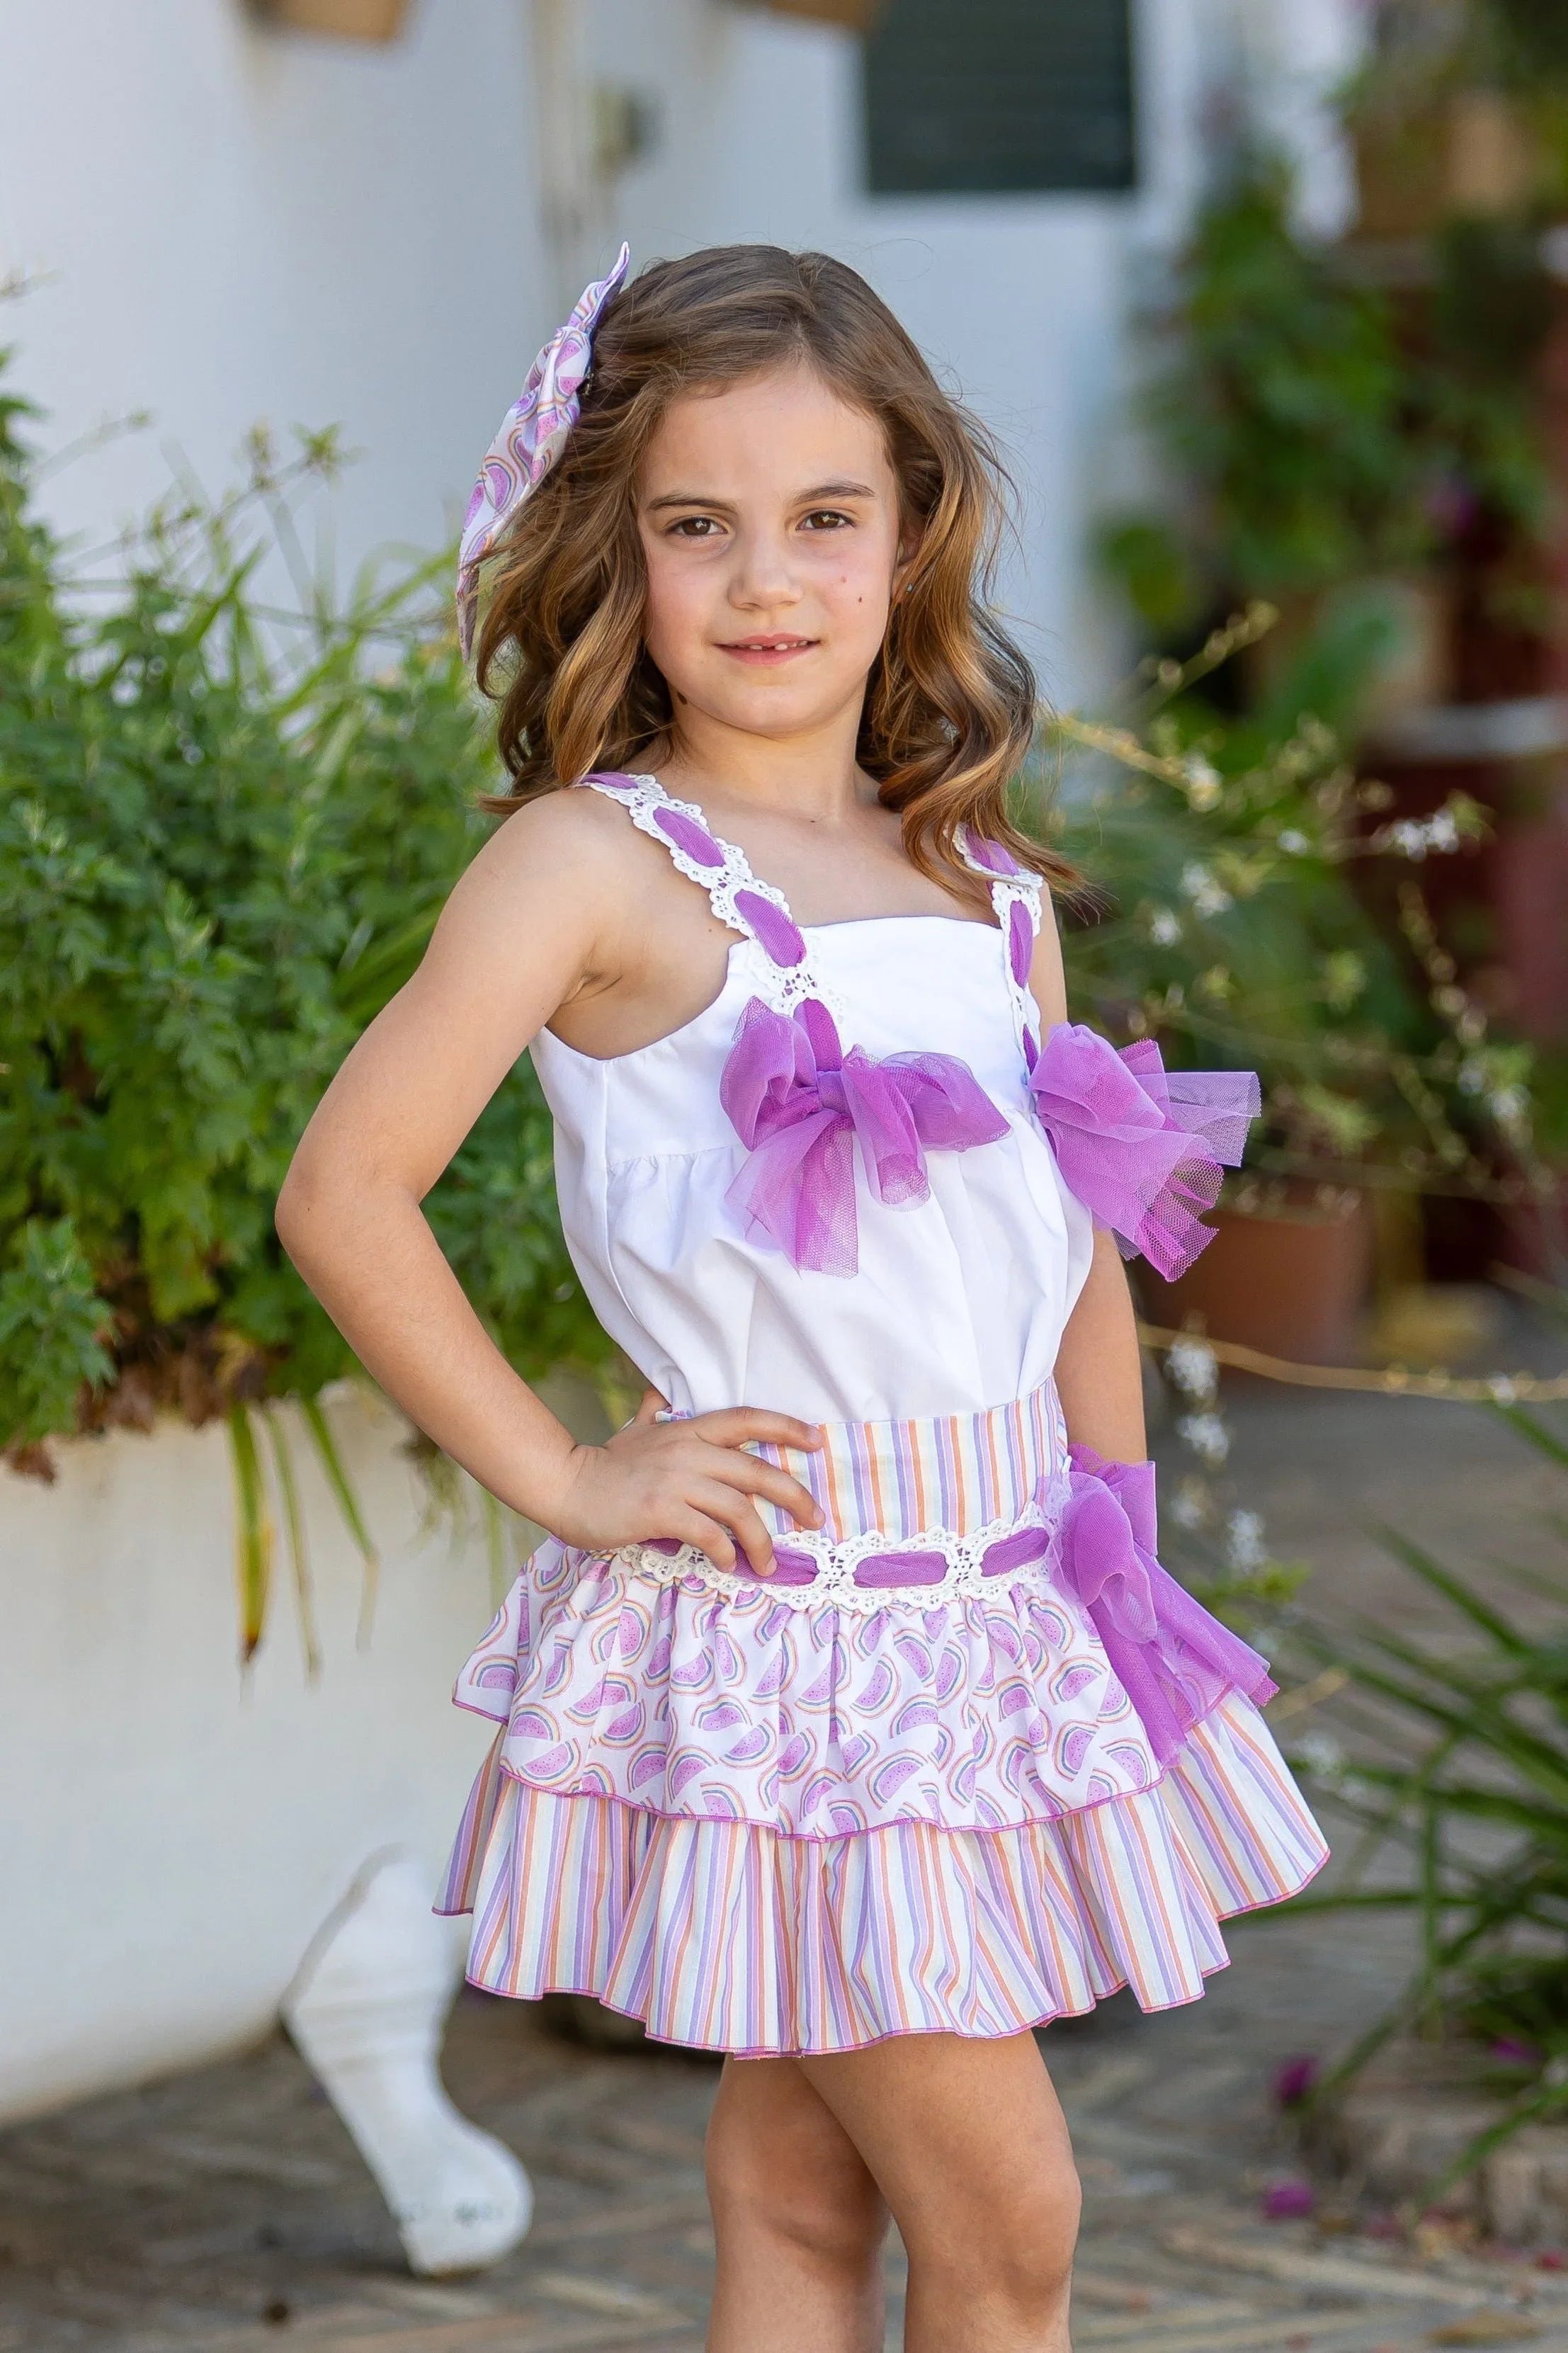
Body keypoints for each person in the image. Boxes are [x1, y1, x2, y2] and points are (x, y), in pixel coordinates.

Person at [277, 242, 1328, 2353]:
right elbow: (345, 1192)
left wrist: (1113, 1561)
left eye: (825, 517)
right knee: (1012, 2216)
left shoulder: (981, 877)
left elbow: (1075, 1258)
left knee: (803, 2181)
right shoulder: (593, 867)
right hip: (800, 1641)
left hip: (996, 1609)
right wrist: (572, 1474)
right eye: (698, 525)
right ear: (621, 549)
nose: (769, 580)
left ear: (911, 528)